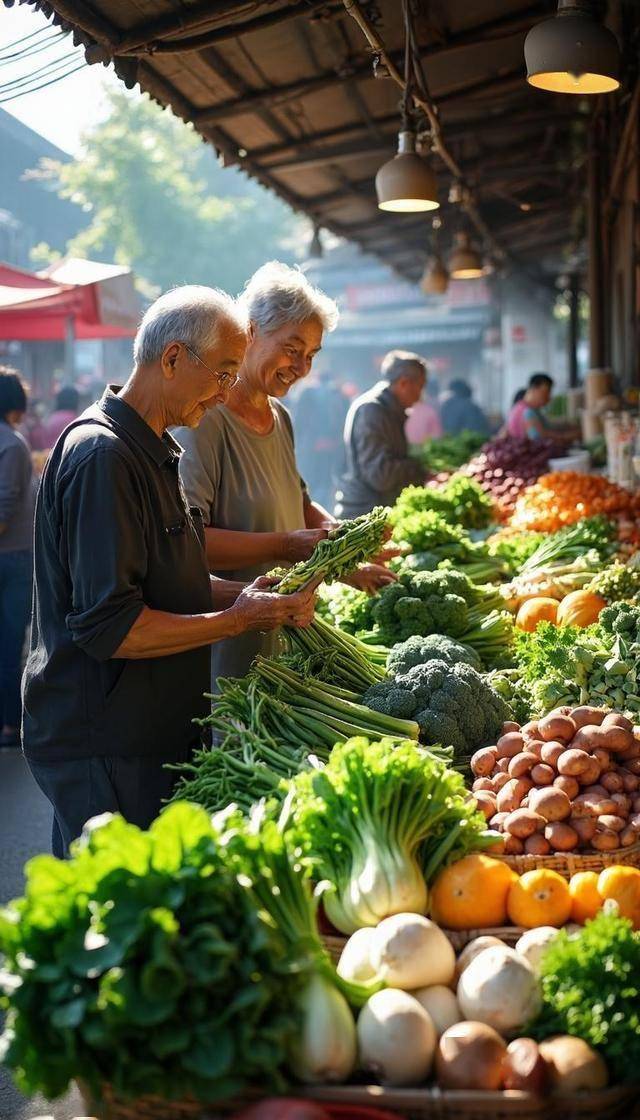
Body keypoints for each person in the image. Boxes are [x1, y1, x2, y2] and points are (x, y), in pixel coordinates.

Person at [22, 285, 318, 857]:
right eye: (224, 373)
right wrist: (238, 619)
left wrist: (252, 594)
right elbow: (114, 627)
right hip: (106, 742)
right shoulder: (103, 457)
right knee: (114, 900)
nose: (227, 390)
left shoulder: (153, 447)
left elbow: (169, 583)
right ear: (174, 358)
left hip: (150, 732)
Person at [177, 262, 395, 683]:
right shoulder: (204, 419)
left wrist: (348, 548)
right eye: (292, 349)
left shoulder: (280, 416)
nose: (302, 367)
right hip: (226, 646)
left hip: (283, 640)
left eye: (310, 355)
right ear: (250, 332)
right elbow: (189, 545)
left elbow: (299, 501)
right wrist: (287, 545)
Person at [335, 350, 426, 518]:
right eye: (420, 387)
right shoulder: (372, 410)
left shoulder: (387, 409)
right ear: (404, 383)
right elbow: (380, 476)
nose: (420, 397)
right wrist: (419, 467)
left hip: (376, 509)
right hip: (364, 515)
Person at [0, 368, 36, 749]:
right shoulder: (12, 443)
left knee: (8, 646)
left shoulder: (12, 444)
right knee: (10, 646)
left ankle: (10, 722)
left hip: (12, 558)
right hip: (13, 559)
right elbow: (6, 506)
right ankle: (10, 724)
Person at [290, 366, 348, 510]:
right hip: (331, 448)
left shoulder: (306, 392)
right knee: (325, 486)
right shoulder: (337, 393)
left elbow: (298, 423)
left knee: (310, 487)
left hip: (310, 449)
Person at [506, 372, 574, 441]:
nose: (548, 397)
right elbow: (539, 437)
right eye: (546, 392)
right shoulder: (527, 412)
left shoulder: (518, 407)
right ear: (534, 389)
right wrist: (570, 435)